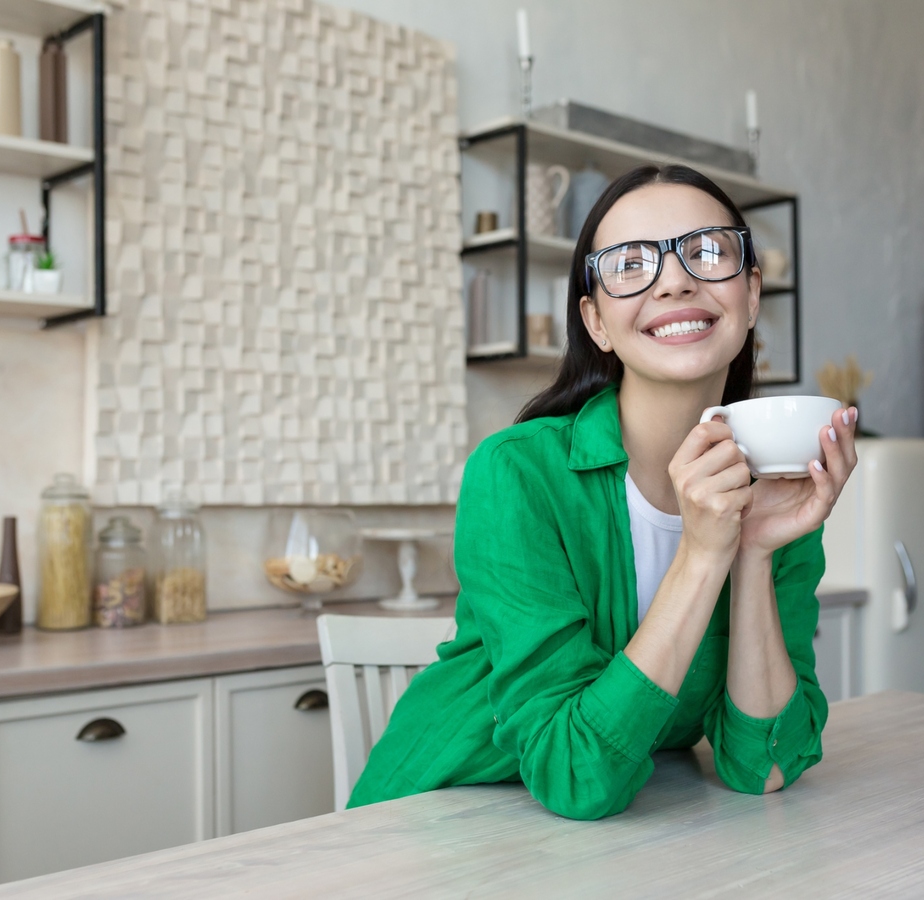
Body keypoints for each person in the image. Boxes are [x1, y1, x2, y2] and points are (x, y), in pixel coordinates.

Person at [348, 164, 858, 820]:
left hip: (604, 852)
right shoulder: (518, 475)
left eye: (707, 252)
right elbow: (574, 776)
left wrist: (753, 551)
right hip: (427, 828)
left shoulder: (773, 490)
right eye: (629, 264)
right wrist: (703, 557)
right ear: (595, 320)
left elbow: (766, 765)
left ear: (751, 294)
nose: (675, 279)